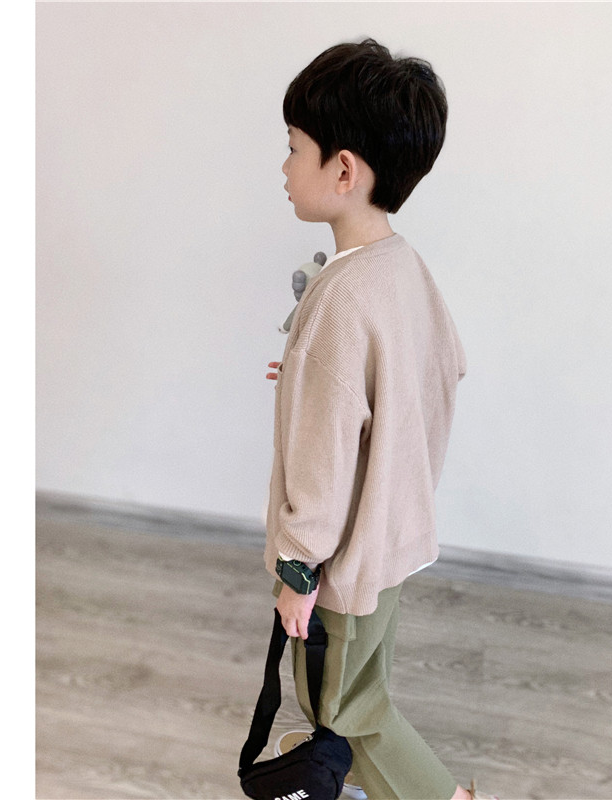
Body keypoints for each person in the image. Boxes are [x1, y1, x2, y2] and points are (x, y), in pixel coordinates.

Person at [264, 39, 496, 800]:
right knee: (359, 694)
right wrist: (318, 385)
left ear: (343, 170)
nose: (284, 167)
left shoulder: (339, 298)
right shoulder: (402, 267)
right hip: (396, 537)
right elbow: (438, 367)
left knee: (345, 712)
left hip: (342, 562)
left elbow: (322, 465)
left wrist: (298, 571)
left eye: (293, 148)